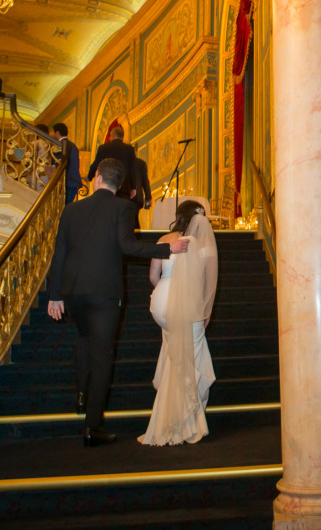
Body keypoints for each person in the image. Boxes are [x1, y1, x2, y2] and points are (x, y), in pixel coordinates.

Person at [47, 158, 189, 447]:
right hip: (104, 292)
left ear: (97, 178)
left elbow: (58, 253)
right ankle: (92, 427)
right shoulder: (124, 208)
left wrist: (54, 295)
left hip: (73, 290)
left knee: (83, 337)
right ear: (121, 185)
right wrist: (166, 248)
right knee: (102, 356)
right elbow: (127, 246)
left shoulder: (71, 209)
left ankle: (81, 393)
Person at [139, 199, 218, 446]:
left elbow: (153, 277)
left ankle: (173, 420)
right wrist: (206, 312)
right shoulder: (203, 244)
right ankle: (178, 425)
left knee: (175, 357)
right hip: (189, 308)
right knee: (189, 365)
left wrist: (167, 292)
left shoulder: (164, 240)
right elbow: (208, 285)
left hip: (162, 306)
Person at [87, 125, 138, 200]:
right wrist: (134, 187)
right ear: (122, 137)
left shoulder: (103, 148)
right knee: (121, 210)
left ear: (112, 135)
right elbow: (133, 169)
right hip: (124, 187)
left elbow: (96, 164)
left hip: (107, 186)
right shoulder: (129, 149)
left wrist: (89, 176)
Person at [52, 123, 83, 204]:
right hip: (74, 182)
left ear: (57, 133)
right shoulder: (74, 146)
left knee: (61, 208)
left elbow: (55, 165)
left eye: (54, 132)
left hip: (65, 182)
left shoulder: (58, 146)